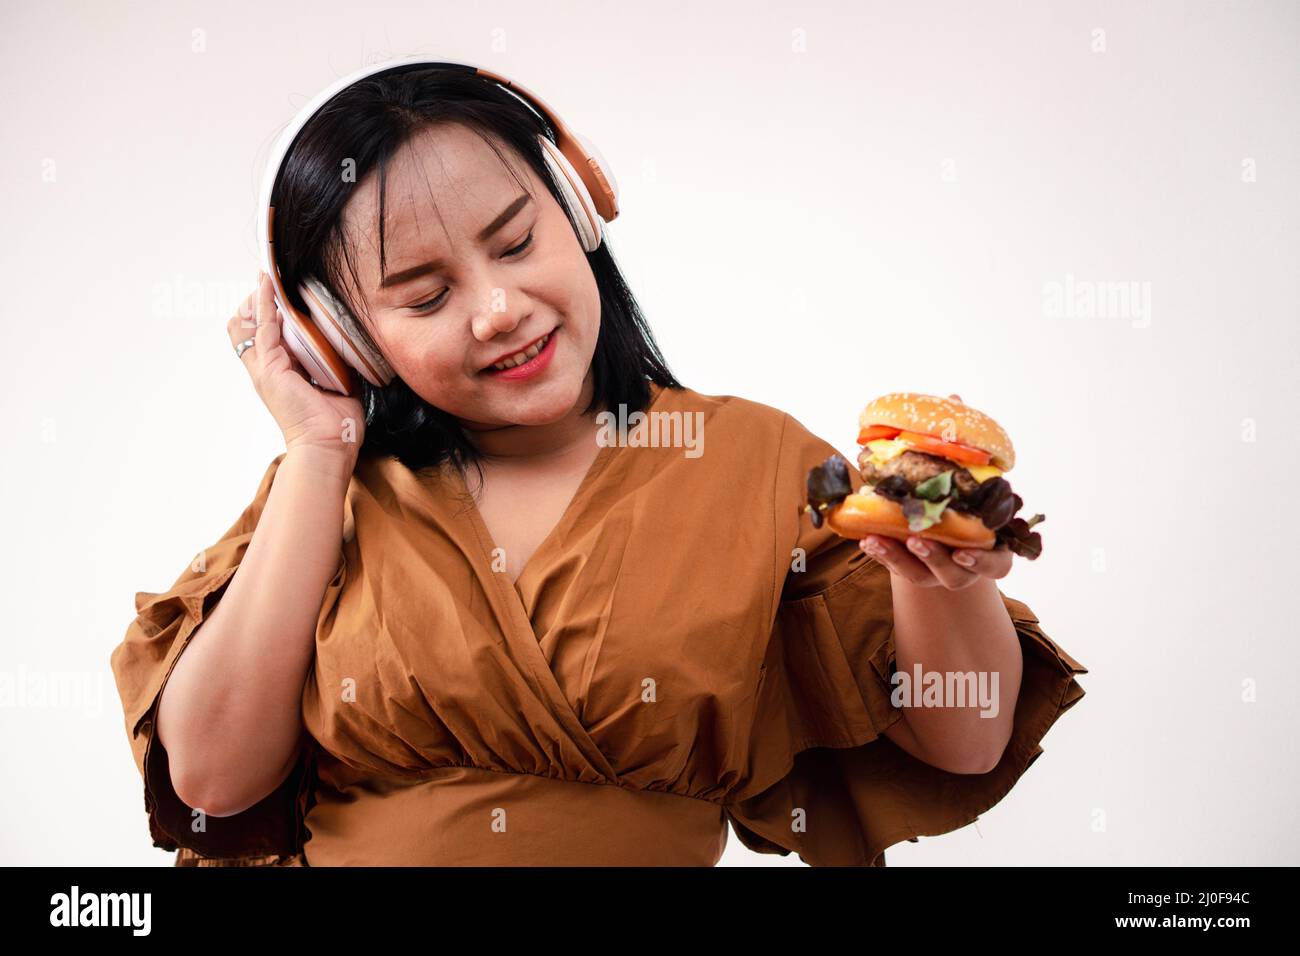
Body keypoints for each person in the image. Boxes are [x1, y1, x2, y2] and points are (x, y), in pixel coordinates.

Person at [109, 65, 1087, 866]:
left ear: (580, 207)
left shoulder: (750, 461)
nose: (496, 309)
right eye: (421, 294)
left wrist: (941, 584)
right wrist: (317, 449)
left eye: (516, 240)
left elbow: (961, 738)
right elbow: (211, 779)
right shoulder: (325, 497)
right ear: (346, 342)